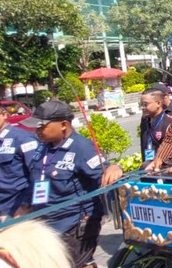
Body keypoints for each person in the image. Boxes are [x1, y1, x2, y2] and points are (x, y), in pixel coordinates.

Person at [19, 101, 105, 268]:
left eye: (41, 126)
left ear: (64, 125)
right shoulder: (42, 147)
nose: (36, 130)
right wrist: (24, 207)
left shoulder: (82, 147)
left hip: (73, 224)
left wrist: (114, 168)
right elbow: (37, 180)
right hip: (46, 222)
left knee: (77, 264)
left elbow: (104, 172)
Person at [0, 102, 39, 222]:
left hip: (14, 210)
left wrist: (26, 206)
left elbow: (38, 175)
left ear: (4, 114)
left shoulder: (24, 139)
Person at [138, 88, 172, 162]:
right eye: (141, 104)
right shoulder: (145, 122)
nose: (142, 108)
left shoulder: (169, 123)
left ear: (158, 103)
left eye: (145, 104)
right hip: (147, 168)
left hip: (163, 168)